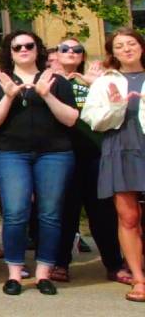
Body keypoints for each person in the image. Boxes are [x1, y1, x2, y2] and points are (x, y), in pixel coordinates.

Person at [0, 30, 78, 296]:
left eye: (29, 45)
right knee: (15, 212)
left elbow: (71, 119)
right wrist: (9, 95)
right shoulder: (0, 82)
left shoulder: (56, 80)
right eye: (17, 47)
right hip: (11, 153)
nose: (23, 50)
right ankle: (14, 273)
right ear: (9, 52)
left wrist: (47, 95)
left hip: (54, 154)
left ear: (38, 50)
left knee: (49, 213)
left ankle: (43, 274)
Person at [80, 26, 145, 303]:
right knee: (128, 217)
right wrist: (116, 106)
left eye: (131, 43)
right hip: (120, 145)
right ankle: (139, 278)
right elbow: (93, 119)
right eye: (119, 46)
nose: (126, 49)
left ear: (141, 46)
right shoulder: (106, 81)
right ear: (112, 53)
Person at [54, 37, 125, 284]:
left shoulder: (97, 81)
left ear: (83, 56)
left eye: (77, 49)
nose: (71, 52)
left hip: (96, 153)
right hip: (63, 154)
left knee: (102, 213)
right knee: (65, 212)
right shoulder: (50, 81)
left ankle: (114, 264)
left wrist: (95, 83)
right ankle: (60, 263)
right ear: (57, 54)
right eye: (65, 49)